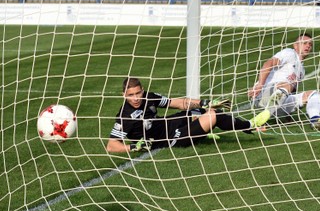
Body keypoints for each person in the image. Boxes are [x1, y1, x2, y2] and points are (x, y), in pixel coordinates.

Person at [106, 77, 270, 153]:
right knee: (213, 116)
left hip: (167, 125)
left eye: (138, 93)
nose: (136, 98)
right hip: (167, 140)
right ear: (124, 95)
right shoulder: (124, 116)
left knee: (203, 111)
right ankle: (250, 125)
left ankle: (204, 133)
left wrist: (203, 102)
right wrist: (133, 147)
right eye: (131, 95)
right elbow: (111, 145)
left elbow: (176, 102)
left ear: (142, 90)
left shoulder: (148, 96)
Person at [248, 33, 320, 130]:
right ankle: (262, 117)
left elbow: (292, 91)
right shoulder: (289, 53)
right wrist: (260, 85)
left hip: (279, 103)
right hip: (263, 94)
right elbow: (269, 63)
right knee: (287, 85)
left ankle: (315, 121)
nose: (308, 46)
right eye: (304, 43)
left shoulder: (301, 70)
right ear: (295, 45)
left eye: (310, 44)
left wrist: (288, 116)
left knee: (314, 94)